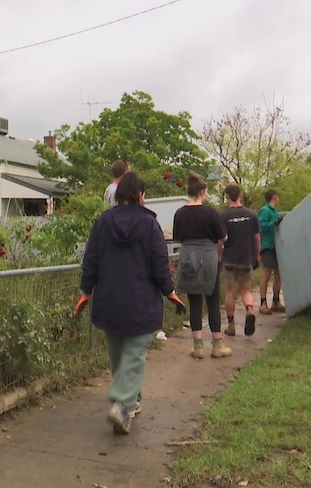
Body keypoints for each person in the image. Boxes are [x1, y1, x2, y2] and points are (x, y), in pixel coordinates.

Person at [79, 171, 185, 434]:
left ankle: (130, 403)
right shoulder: (150, 225)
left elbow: (90, 259)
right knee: (135, 355)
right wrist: (169, 290)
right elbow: (160, 263)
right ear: (140, 195)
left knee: (118, 354)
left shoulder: (102, 223)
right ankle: (122, 403)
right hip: (141, 302)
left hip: (109, 300)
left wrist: (85, 291)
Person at [173, 172, 230, 359]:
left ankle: (197, 347)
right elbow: (224, 237)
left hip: (189, 256)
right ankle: (217, 345)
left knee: (194, 302)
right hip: (208, 257)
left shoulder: (180, 213)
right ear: (203, 192)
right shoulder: (211, 212)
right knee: (213, 302)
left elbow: (177, 237)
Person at [220, 184, 261, 337]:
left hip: (229, 259)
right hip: (246, 258)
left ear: (227, 197)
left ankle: (231, 325)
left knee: (230, 292)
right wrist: (256, 254)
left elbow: (220, 240)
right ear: (240, 196)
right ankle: (249, 309)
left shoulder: (223, 216)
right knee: (246, 290)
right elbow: (257, 238)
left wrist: (219, 255)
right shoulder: (252, 215)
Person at [258, 189, 285, 314]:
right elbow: (262, 226)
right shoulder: (265, 210)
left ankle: (276, 301)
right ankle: (263, 302)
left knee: (278, 273)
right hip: (268, 245)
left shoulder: (275, 212)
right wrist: (274, 223)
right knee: (267, 271)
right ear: (274, 197)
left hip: (276, 246)